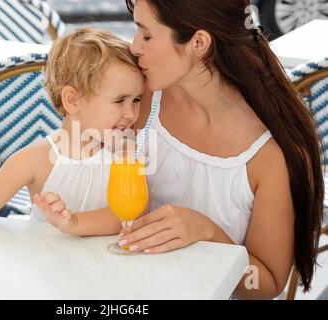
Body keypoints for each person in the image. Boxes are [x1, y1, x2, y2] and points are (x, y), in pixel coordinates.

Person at [118, 0, 324, 299]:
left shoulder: (269, 156)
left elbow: (263, 285)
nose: (135, 47)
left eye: (147, 36)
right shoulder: (142, 96)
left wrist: (208, 234)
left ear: (199, 43)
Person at [0, 27, 145, 268]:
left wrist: (74, 223)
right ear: (72, 100)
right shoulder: (38, 159)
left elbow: (129, 215)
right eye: (119, 100)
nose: (131, 113)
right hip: (51, 270)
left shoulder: (125, 152)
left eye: (136, 100)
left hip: (110, 269)